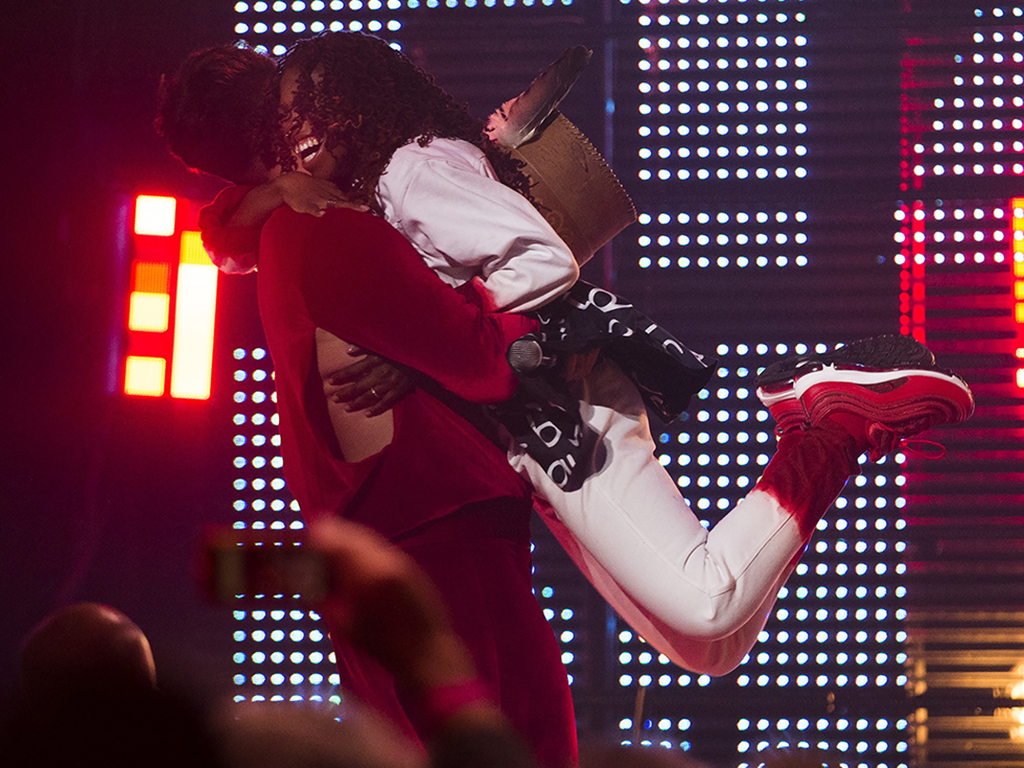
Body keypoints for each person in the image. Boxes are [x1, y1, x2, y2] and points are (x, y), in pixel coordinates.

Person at [157, 34, 973, 731]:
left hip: (561, 402)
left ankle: (827, 419)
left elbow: (542, 261)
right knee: (708, 646)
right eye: (280, 129)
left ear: (348, 102)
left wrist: (440, 337)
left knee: (708, 609)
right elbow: (227, 233)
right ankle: (815, 426)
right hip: (533, 423)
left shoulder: (407, 173)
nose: (295, 142)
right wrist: (269, 197)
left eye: (303, 116)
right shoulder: (355, 189)